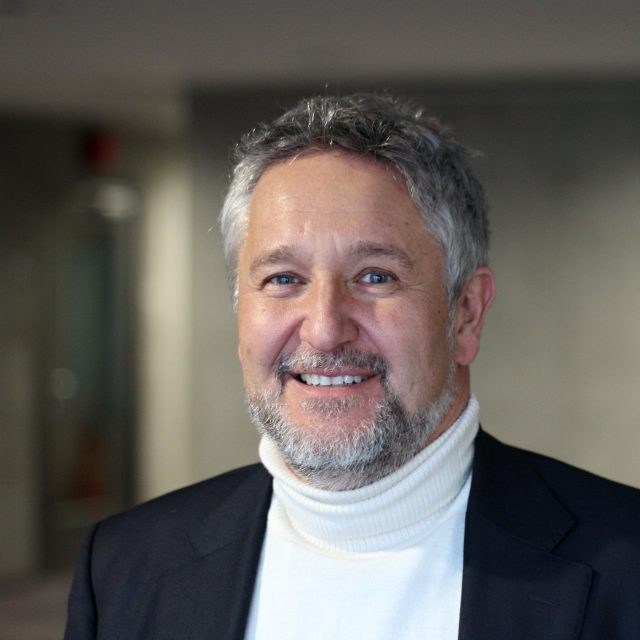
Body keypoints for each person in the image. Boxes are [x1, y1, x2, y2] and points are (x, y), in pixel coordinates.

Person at [64, 94, 640, 639]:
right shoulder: (124, 567)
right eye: (283, 279)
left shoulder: (627, 564)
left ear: (465, 314)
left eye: (375, 276)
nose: (324, 328)